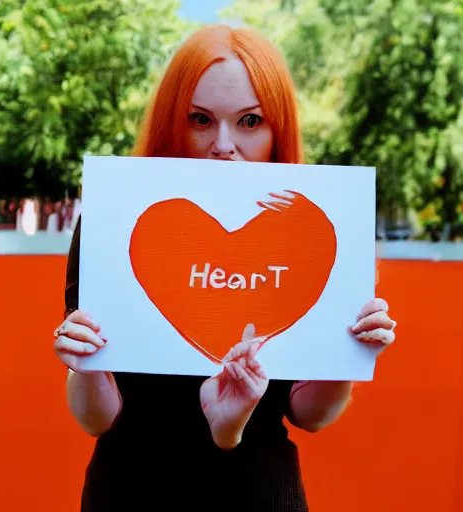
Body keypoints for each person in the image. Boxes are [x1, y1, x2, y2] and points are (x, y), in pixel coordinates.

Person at [53, 24, 397, 512]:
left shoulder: (319, 229)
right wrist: (84, 364)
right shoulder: (115, 220)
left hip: (259, 492)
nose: (223, 144)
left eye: (250, 121)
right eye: (200, 119)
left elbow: (309, 415)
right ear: (174, 120)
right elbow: (97, 418)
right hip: (130, 490)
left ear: (278, 129)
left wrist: (348, 355)